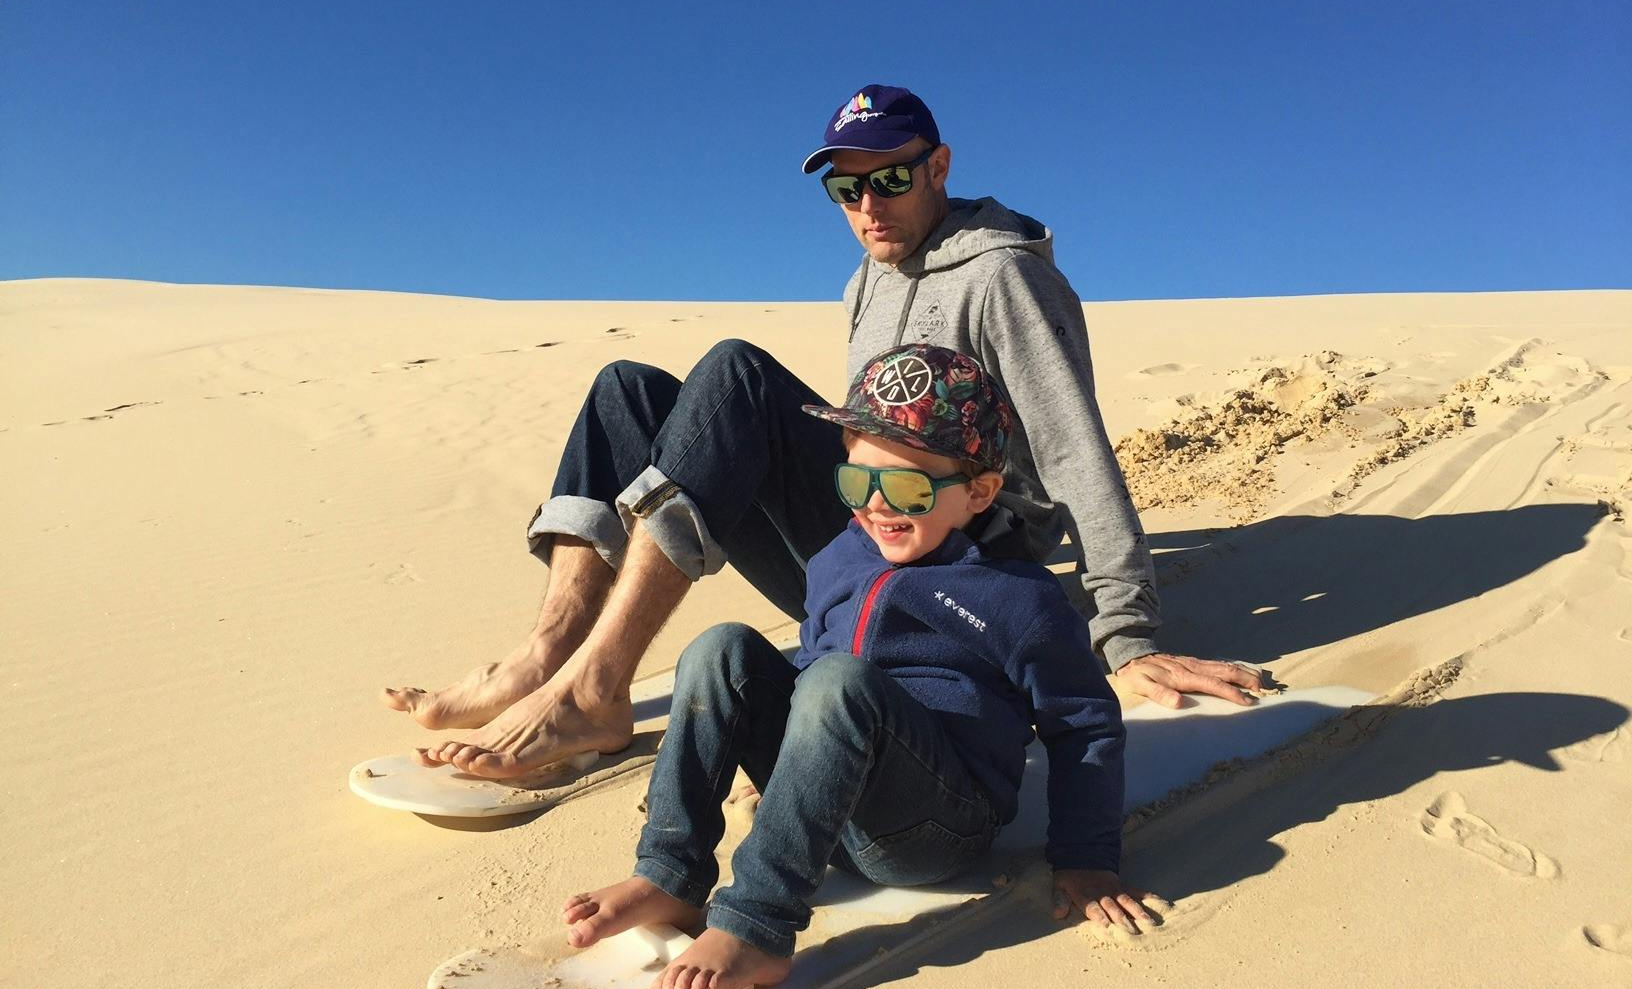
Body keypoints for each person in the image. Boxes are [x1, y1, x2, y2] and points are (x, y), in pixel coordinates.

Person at [384, 84, 1262, 779]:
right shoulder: (864, 286)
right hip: (873, 548)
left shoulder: (1003, 279)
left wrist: (1126, 638)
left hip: (966, 578)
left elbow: (1074, 449)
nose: (867, 205)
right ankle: (546, 657)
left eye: (889, 177)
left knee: (735, 372)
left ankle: (599, 685)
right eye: (846, 188)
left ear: (939, 166)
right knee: (626, 393)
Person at [562, 346, 1151, 989]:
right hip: (834, 811)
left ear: (979, 493)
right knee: (721, 649)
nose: (875, 506)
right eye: (856, 482)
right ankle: (669, 872)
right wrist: (786, 766)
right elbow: (812, 663)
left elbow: (1083, 726)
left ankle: (756, 923)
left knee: (839, 683)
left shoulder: (1019, 598)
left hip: (934, 828)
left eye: (906, 487)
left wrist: (1087, 856)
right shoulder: (841, 557)